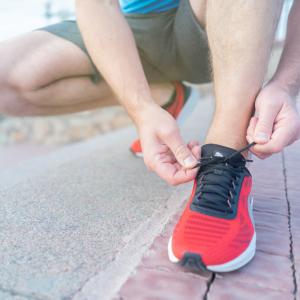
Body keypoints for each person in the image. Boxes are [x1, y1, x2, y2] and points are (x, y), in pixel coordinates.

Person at [0, 0, 299, 272]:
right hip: (133, 29)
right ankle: (166, 98)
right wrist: (142, 108)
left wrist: (285, 84)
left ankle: (224, 157)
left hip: (214, 18)